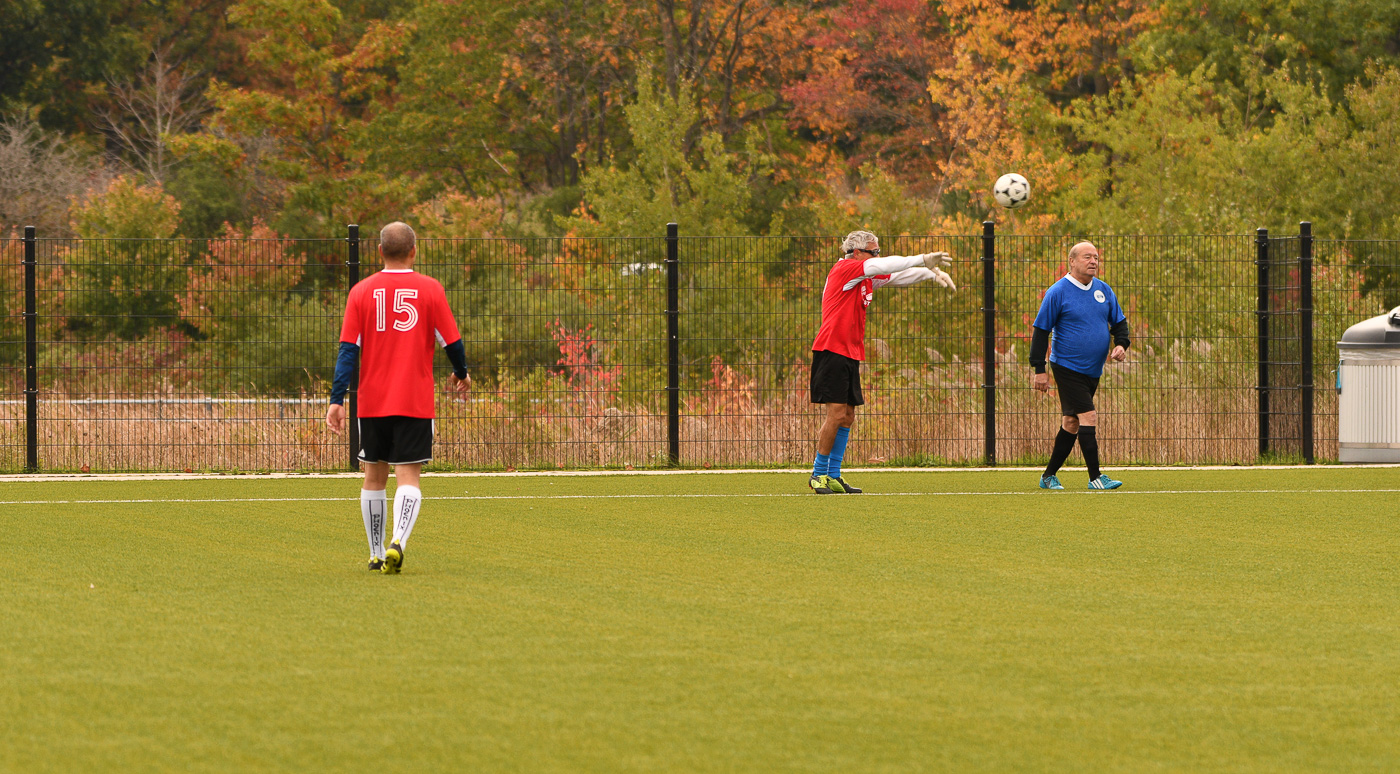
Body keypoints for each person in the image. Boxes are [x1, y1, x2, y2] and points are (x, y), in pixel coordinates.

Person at [326, 221, 470, 573]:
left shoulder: (360, 292)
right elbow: (452, 343)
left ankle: (376, 554)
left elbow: (348, 350)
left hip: (372, 402)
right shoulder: (430, 289)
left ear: (379, 251)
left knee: (373, 478)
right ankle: (398, 543)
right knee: (409, 477)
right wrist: (462, 372)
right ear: (413, 251)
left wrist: (337, 399)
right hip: (414, 401)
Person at [808, 230, 957, 494]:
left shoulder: (862, 276)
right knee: (836, 414)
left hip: (849, 353)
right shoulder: (845, 269)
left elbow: (896, 276)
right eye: (874, 251)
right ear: (856, 252)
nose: (878, 256)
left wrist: (930, 273)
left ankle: (833, 475)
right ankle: (818, 474)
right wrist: (923, 258)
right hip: (832, 350)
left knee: (848, 416)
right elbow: (883, 266)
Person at [1029, 241, 1130, 490]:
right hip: (1066, 366)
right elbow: (1041, 331)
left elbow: (1119, 324)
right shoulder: (1057, 292)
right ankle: (1096, 478)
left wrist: (1121, 344)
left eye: (1096, 257)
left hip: (1092, 370)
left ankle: (1048, 476)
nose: (1093, 261)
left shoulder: (1104, 290)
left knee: (1071, 423)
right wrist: (1039, 370)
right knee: (1088, 416)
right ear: (1072, 261)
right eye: (1087, 257)